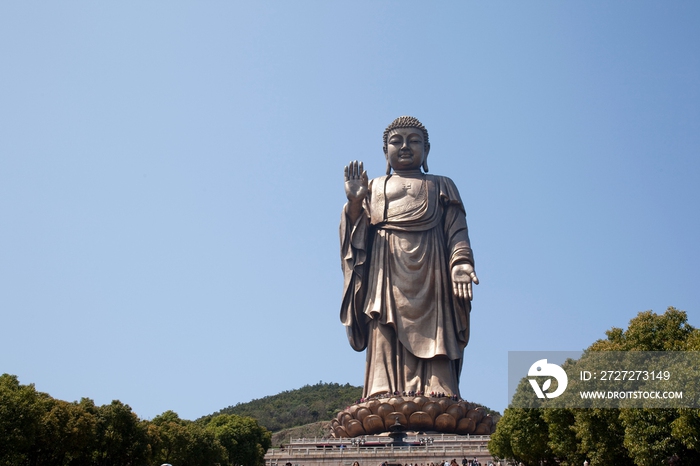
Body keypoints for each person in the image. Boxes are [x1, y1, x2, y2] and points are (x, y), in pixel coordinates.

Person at [340, 116, 479, 399]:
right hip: (385, 268)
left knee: (437, 326)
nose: (405, 146)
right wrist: (355, 204)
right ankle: (382, 387)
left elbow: (457, 229)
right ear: (385, 152)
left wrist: (461, 262)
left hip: (433, 270)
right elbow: (358, 237)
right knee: (382, 321)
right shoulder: (376, 186)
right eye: (396, 141)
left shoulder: (442, 184)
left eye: (414, 141)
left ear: (426, 151)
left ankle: (440, 386)